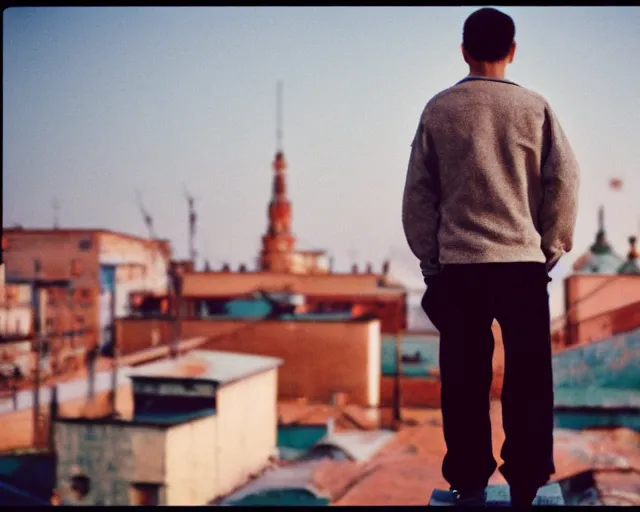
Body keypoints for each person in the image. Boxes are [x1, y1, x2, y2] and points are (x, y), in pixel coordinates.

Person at [402, 7, 579, 507]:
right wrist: (550, 249)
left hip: (459, 267)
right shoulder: (536, 108)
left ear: (463, 51)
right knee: (528, 379)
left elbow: (418, 196)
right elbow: (563, 182)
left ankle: (470, 483)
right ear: (513, 51)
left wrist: (431, 262)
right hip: (522, 265)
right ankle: (526, 484)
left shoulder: (439, 110)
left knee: (463, 379)